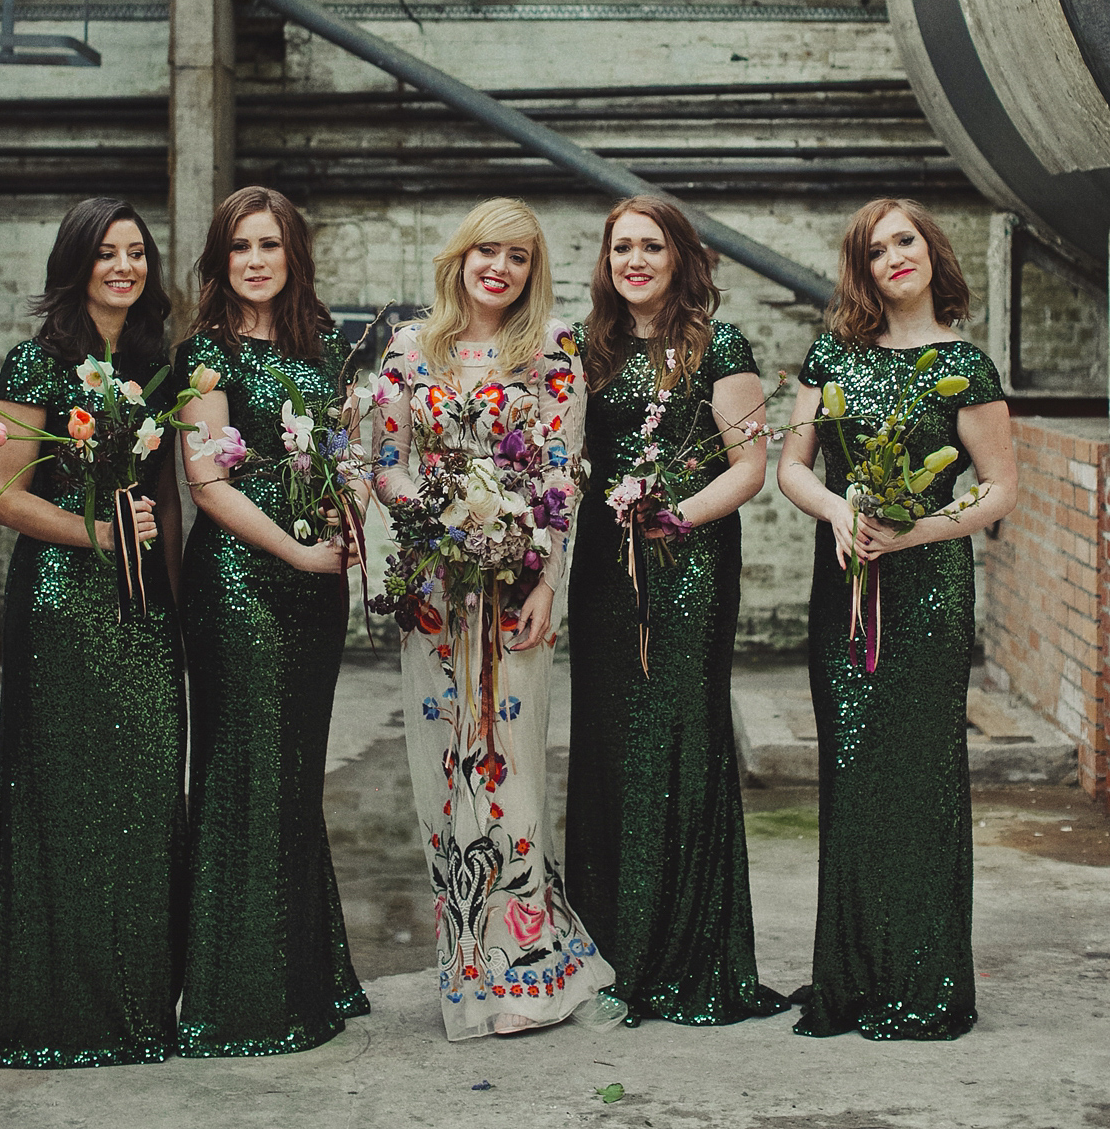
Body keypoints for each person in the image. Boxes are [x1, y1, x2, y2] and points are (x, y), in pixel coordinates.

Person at [0, 198, 186, 1067]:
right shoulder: (38, 361)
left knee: (144, 792)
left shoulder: (153, 364)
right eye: (106, 253)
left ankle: (134, 997)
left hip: (141, 603)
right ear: (75, 263)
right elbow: (6, 497)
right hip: (63, 601)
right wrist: (101, 534)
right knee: (67, 798)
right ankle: (57, 1006)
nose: (124, 266)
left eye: (136, 252)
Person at [372, 197, 614, 1039]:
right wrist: (444, 516)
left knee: (510, 768)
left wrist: (546, 579)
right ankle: (467, 970)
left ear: (530, 272)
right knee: (445, 775)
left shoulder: (554, 355)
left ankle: (528, 971)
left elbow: (561, 477)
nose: (499, 269)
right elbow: (386, 466)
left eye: (517, 257)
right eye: (488, 251)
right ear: (462, 256)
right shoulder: (411, 350)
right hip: (437, 592)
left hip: (516, 592)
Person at [777, 197, 1016, 1040]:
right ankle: (850, 976)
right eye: (876, 251)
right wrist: (842, 512)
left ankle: (921, 976)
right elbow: (793, 466)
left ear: (929, 250)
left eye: (905, 240)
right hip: (843, 579)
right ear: (863, 270)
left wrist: (922, 528)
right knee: (850, 772)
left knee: (918, 779)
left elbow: (998, 488)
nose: (894, 258)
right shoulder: (833, 355)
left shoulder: (967, 365)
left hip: (928, 591)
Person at [565, 196, 787, 1028]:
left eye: (650, 246)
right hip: (602, 572)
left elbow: (749, 467)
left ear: (679, 256)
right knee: (609, 744)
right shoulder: (593, 350)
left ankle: (685, 955)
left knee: (679, 740)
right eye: (621, 246)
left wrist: (675, 515)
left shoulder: (720, 345)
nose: (634, 260)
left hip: (686, 563)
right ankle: (611, 950)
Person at [176, 186, 368, 1058]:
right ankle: (238, 993)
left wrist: (346, 516)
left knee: (293, 772)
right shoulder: (204, 357)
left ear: (294, 255)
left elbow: (352, 457)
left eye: (270, 245)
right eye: (238, 247)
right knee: (245, 770)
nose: (255, 260)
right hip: (240, 586)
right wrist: (293, 554)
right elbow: (207, 483)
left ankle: (306, 972)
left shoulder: (327, 351)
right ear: (219, 263)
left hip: (314, 590)